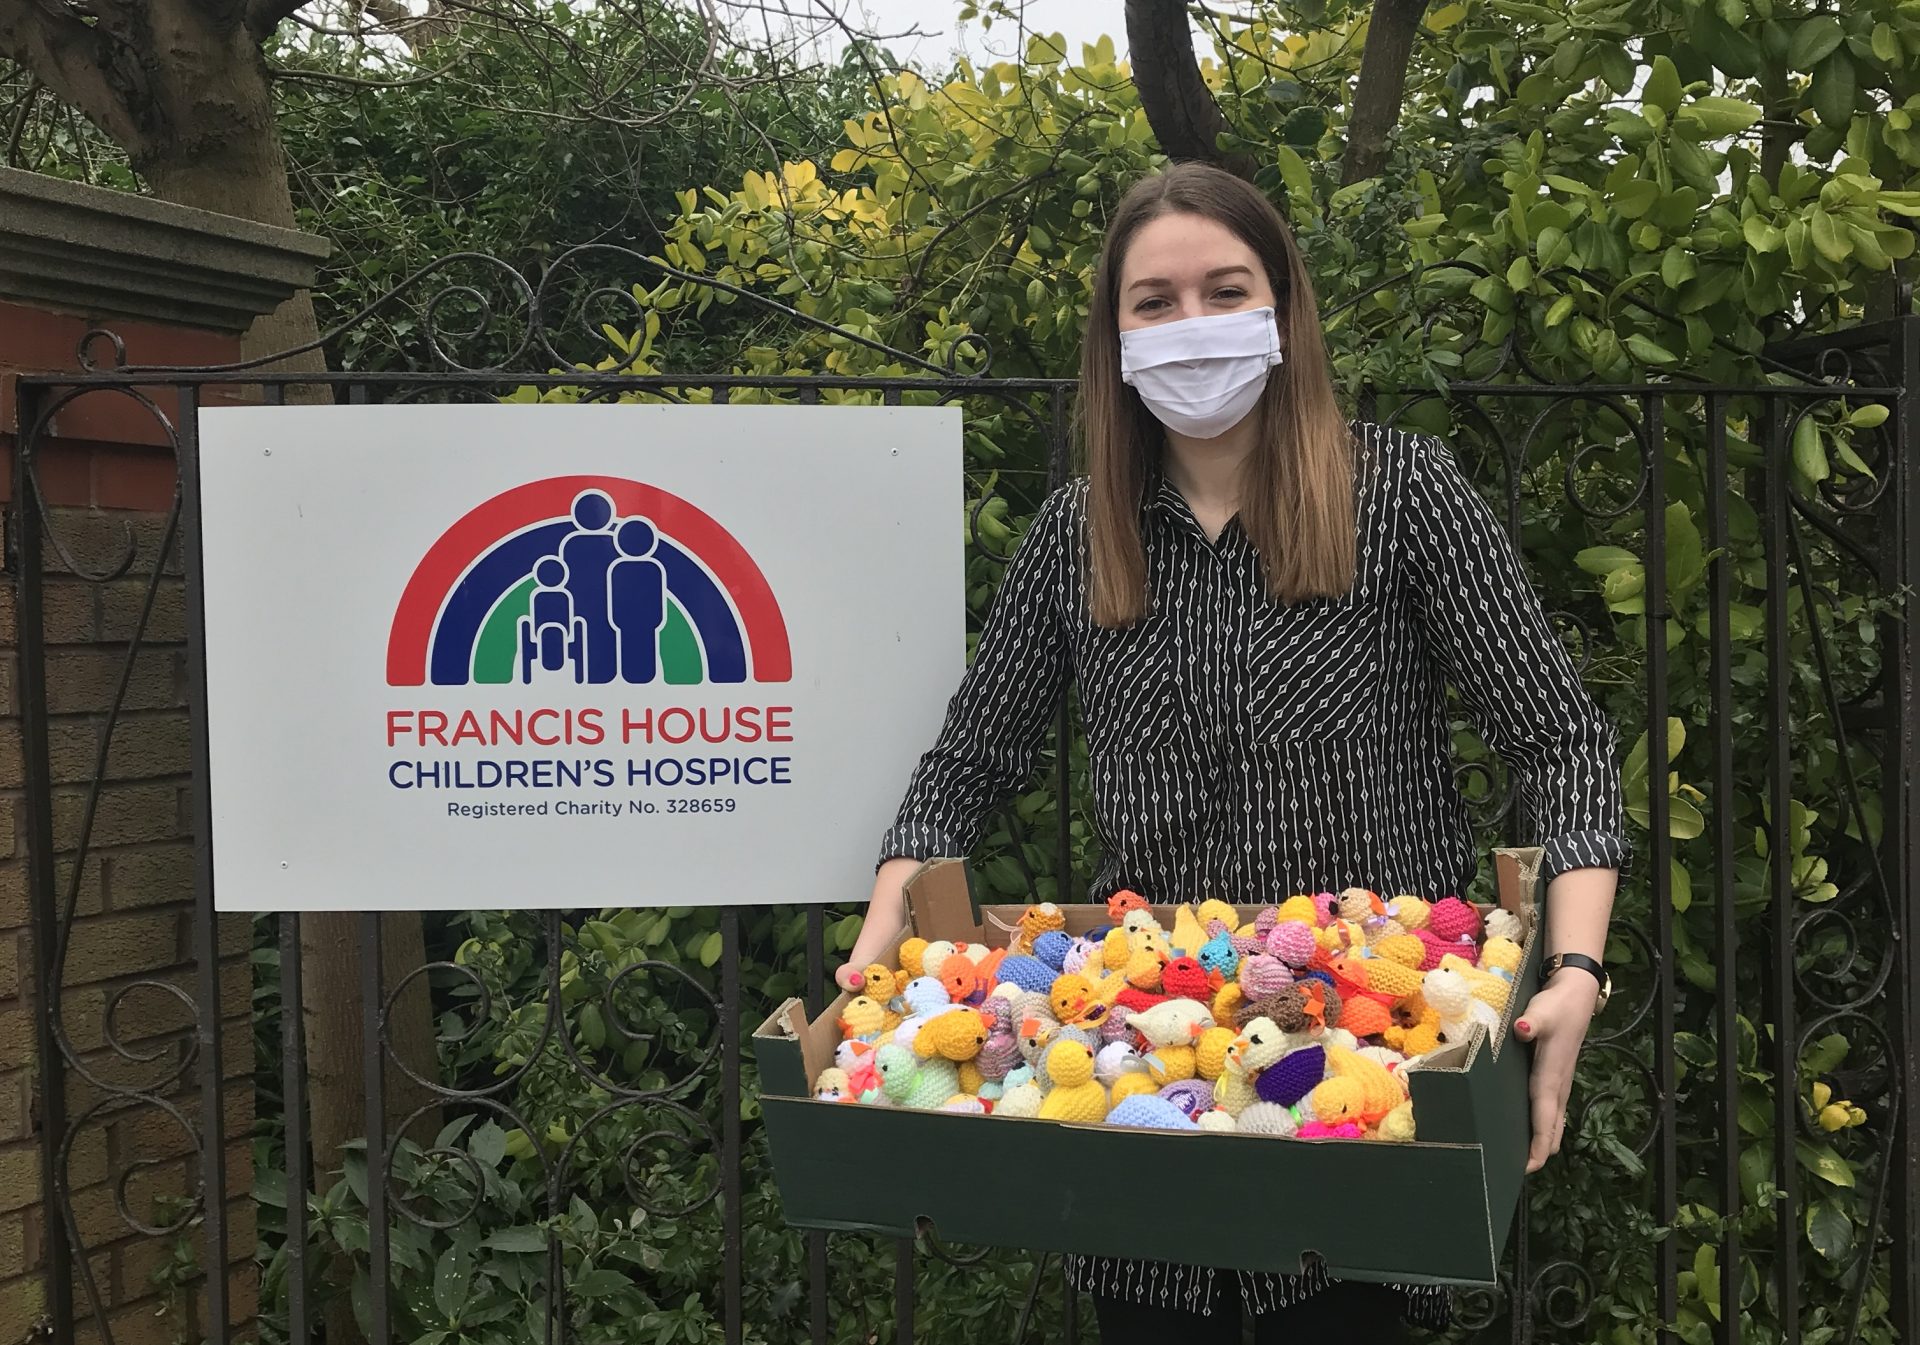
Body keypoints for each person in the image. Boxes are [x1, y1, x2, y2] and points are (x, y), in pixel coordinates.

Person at [833, 162, 1625, 1342]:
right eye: (1155, 301)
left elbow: (1561, 740)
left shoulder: (1402, 493)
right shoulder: (1073, 537)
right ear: (1115, 336)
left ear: (1282, 308)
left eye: (1224, 288)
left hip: (1368, 1091)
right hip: (1142, 1076)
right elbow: (966, 765)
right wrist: (888, 923)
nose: (1191, 324)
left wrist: (1573, 974)